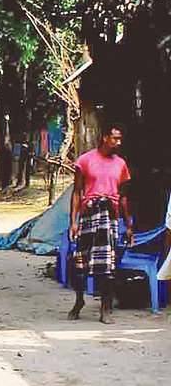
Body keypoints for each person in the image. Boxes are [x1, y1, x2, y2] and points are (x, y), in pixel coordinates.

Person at [69, 123, 133, 324]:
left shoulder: (120, 164)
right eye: (115, 138)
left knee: (108, 265)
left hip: (109, 216)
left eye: (120, 138)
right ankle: (79, 301)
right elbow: (77, 193)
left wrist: (129, 225)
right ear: (105, 138)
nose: (118, 142)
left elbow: (123, 197)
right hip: (89, 214)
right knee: (80, 263)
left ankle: (105, 309)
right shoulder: (85, 160)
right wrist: (74, 222)